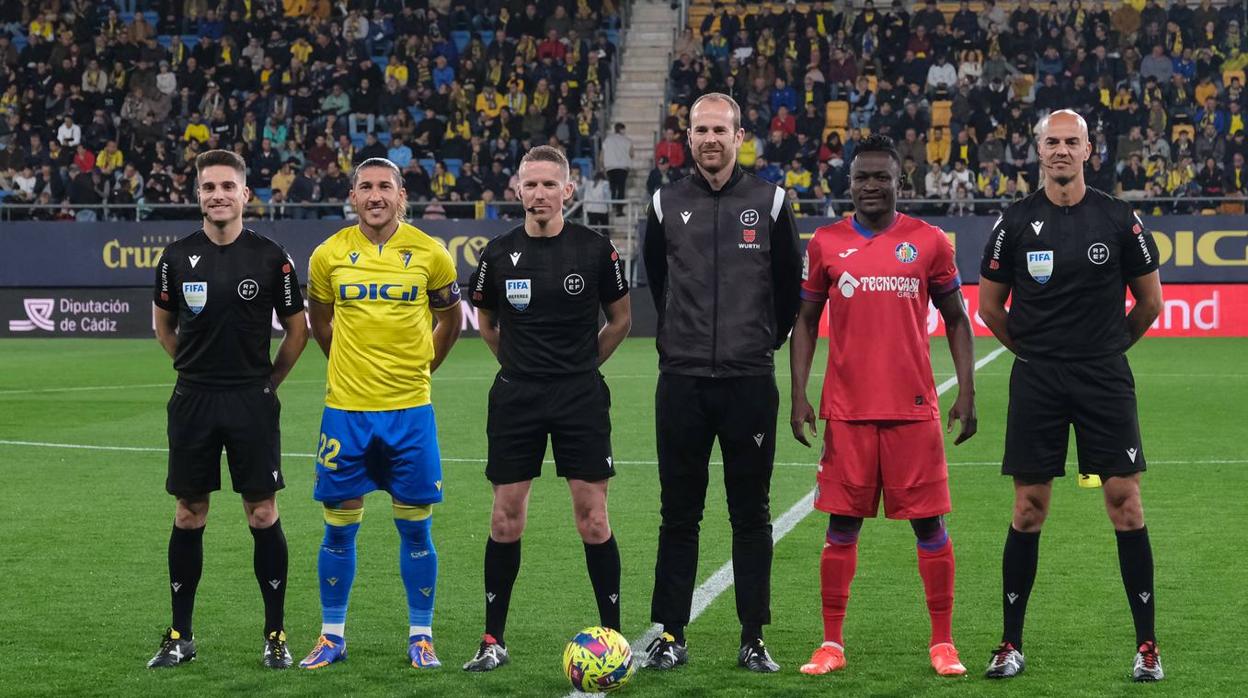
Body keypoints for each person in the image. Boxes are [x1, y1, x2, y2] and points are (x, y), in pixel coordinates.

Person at [978, 110, 1164, 681]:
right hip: (1038, 379)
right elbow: (989, 308)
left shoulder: (1118, 218)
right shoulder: (1015, 222)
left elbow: (1150, 304)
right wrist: (1033, 354)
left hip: (1103, 377)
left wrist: (1107, 351)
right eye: (1051, 142)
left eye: (1071, 143)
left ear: (1089, 151)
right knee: (1028, 509)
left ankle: (1147, 648)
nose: (1061, 151)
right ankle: (1010, 644)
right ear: (1038, 150)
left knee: (1124, 503)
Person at [789, 134, 977, 678]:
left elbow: (959, 318)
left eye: (881, 177)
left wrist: (966, 390)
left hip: (913, 408)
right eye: (862, 177)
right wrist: (800, 393)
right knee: (841, 528)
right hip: (846, 410)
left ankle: (942, 642)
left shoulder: (930, 242)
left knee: (930, 528)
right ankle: (831, 643)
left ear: (901, 183)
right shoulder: (825, 242)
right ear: (849, 183)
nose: (871, 185)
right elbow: (804, 322)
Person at [642, 92, 802, 673]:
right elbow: (657, 280)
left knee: (751, 513)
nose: (710, 139)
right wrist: (685, 340)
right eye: (700, 130)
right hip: (681, 381)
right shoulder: (665, 202)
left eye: (720, 129)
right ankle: (670, 634)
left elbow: (789, 289)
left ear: (741, 137)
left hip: (748, 382)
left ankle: (753, 635)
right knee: (678, 513)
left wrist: (759, 340)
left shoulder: (772, 199)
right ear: (689, 138)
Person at [461, 145, 632, 672]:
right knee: (506, 519)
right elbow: (486, 322)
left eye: (548, 185)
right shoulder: (496, 254)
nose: (539, 194)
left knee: (593, 519)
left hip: (580, 396)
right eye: (530, 185)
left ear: (568, 190)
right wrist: (517, 365)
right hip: (517, 397)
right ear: (517, 189)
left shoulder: (596, 250)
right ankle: (493, 640)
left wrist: (582, 366)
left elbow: (620, 319)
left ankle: (615, 640)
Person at [299, 158, 463, 670]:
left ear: (400, 194)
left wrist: (423, 365)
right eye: (365, 187)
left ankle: (421, 635)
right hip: (346, 412)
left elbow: (450, 319)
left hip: (410, 412)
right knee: (339, 527)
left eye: (384, 187)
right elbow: (320, 321)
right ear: (352, 196)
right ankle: (331, 635)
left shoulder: (431, 254)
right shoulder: (328, 255)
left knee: (416, 528)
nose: (375, 196)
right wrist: (346, 365)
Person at [148, 149, 308, 669]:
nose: (217, 195)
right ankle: (179, 635)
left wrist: (267, 382)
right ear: (198, 195)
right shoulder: (175, 257)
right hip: (193, 399)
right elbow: (163, 328)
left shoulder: (271, 257)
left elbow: (297, 330)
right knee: (189, 512)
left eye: (226, 186)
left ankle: (276, 635)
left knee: (262, 512)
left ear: (245, 195)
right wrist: (194, 371)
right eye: (208, 187)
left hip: (250, 401)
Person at [600, 122, 633, 214]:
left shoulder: (607, 140)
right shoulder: (627, 140)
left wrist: (602, 166)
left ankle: (612, 206)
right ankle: (619, 209)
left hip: (610, 167)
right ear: (622, 130)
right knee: (621, 188)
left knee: (612, 187)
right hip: (623, 167)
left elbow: (602, 154)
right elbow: (632, 154)